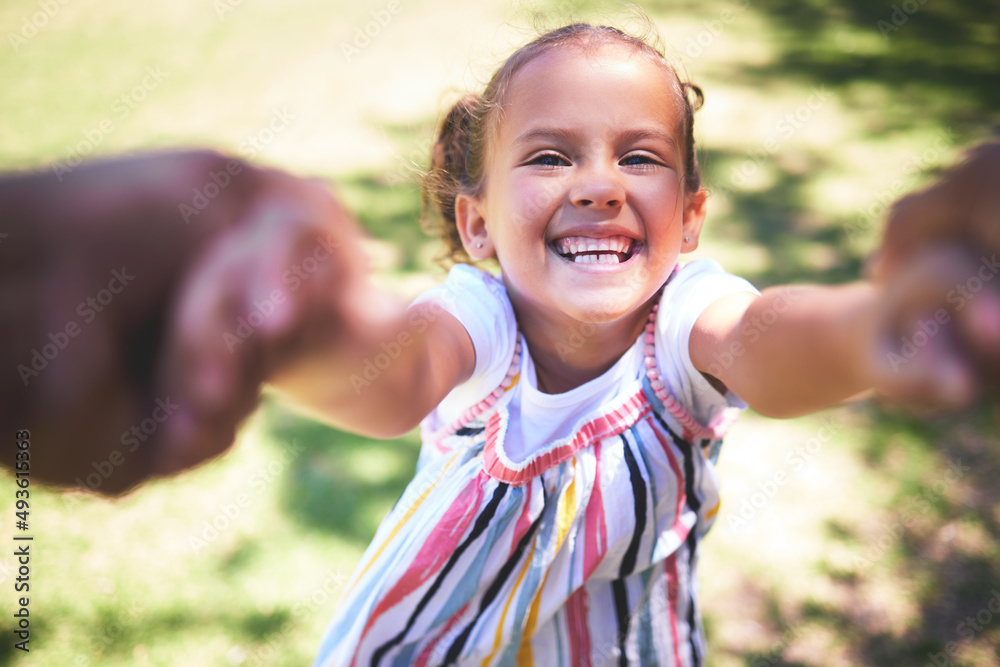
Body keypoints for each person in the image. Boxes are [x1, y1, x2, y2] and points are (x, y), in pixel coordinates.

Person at [0, 19, 997, 667]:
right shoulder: (483, 320)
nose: (599, 183)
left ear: (688, 219)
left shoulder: (688, 319)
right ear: (478, 227)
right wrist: (282, 327)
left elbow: (771, 341)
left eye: (637, 158)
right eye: (552, 155)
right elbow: (388, 372)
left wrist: (879, 328)